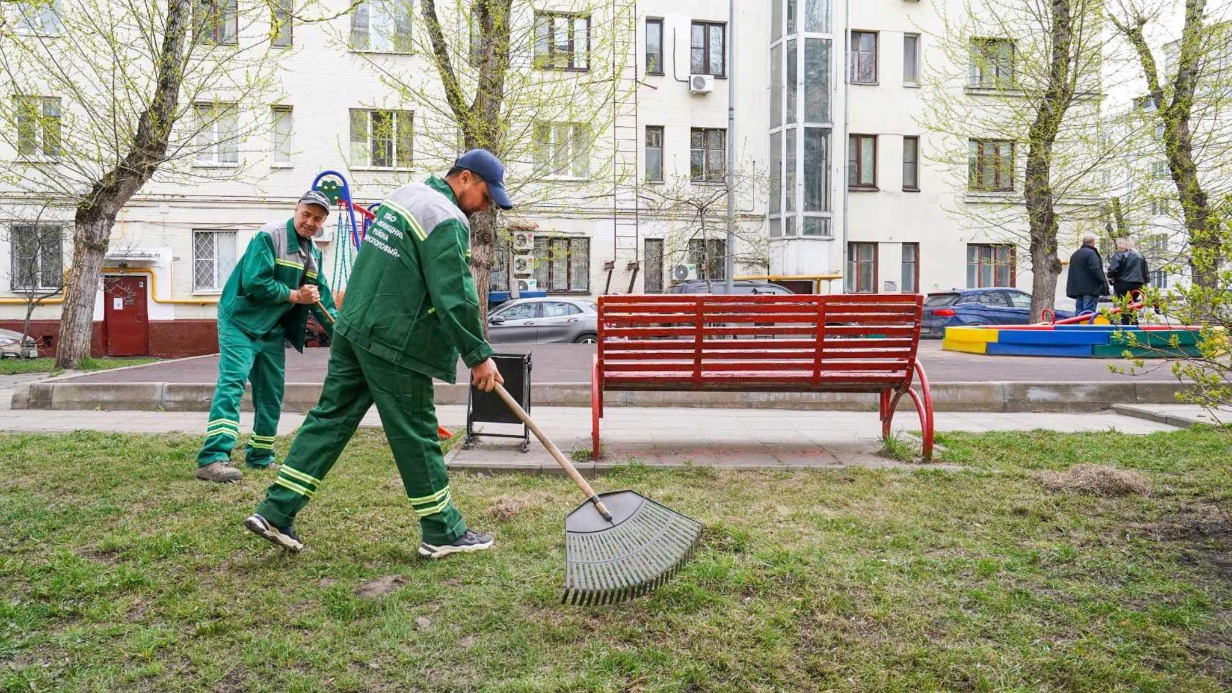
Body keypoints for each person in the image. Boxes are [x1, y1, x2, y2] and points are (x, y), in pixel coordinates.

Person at [244, 149, 513, 559]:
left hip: (354, 327)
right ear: (464, 178)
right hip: (394, 339)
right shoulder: (446, 218)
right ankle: (442, 530)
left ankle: (276, 510)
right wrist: (478, 355)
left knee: (330, 418)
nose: (487, 205)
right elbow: (455, 293)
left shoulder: (405, 195)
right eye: (486, 194)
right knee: (416, 431)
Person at [196, 191, 338, 483]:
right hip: (240, 321)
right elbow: (254, 282)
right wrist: (295, 295)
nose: (310, 222)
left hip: (272, 328)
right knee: (233, 383)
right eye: (306, 214)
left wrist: (341, 333)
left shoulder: (312, 256)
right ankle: (213, 458)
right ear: (296, 209)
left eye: (318, 218)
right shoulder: (269, 236)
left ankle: (261, 455)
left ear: (323, 222)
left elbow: (320, 296)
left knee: (272, 392)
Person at [1106, 237, 1151, 325]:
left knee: (1124, 306)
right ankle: (1135, 325)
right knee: (1132, 305)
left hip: (1123, 283)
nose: (1117, 246)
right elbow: (1146, 272)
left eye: (1117, 244)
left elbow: (1112, 270)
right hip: (1138, 283)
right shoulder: (1140, 256)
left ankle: (1126, 326)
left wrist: (1110, 277)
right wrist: (1144, 282)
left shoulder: (1119, 255)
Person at [1066, 233, 1109, 317]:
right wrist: (1102, 281)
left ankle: (1078, 329)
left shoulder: (1075, 254)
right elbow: (1095, 269)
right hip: (1091, 289)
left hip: (1078, 289)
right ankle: (1086, 328)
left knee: (1079, 313)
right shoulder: (1091, 254)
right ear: (1093, 242)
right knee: (1088, 313)